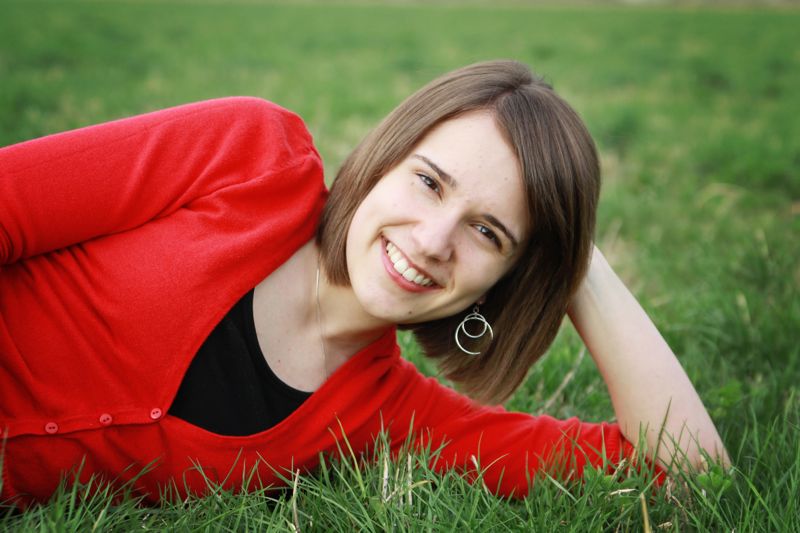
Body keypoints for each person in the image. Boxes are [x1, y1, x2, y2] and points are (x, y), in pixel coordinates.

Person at [0, 60, 728, 507]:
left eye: (488, 232)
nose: (432, 239)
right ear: (383, 156)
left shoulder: (391, 417)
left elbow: (689, 475)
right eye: (429, 181)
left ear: (504, 281)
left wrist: (575, 263)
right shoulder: (246, 155)